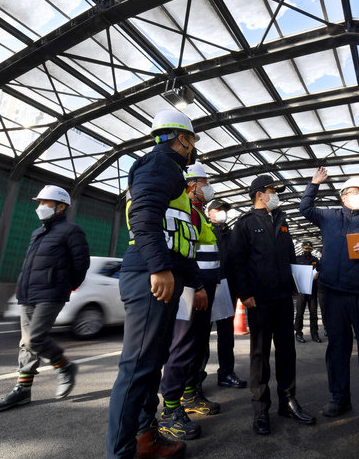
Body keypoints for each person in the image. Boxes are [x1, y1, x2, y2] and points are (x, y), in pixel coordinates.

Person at [106, 109, 206, 459]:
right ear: (181, 138)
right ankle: (120, 453)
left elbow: (182, 238)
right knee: (136, 368)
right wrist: (160, 267)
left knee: (151, 363)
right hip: (151, 276)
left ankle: (145, 437)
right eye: (192, 140)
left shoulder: (173, 173)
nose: (193, 147)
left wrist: (189, 279)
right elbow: (143, 215)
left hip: (164, 276)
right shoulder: (159, 164)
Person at [300, 170, 359, 426]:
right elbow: (305, 207)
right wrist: (314, 184)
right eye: (354, 193)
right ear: (343, 197)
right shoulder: (329, 216)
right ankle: (339, 397)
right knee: (337, 347)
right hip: (333, 293)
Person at [0, 185, 89, 413]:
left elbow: (81, 263)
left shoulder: (72, 231)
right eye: (39, 202)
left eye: (45, 202)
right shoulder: (38, 232)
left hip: (51, 293)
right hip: (27, 292)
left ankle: (65, 367)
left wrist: (66, 286)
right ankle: (22, 390)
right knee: (26, 343)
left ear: (61, 207)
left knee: (35, 339)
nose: (39, 207)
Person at [228, 175, 316, 435]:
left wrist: (298, 280)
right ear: (259, 195)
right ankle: (261, 409)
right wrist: (244, 294)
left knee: (287, 351)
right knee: (260, 355)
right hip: (259, 300)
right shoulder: (244, 225)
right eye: (273, 191)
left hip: (282, 298)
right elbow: (236, 263)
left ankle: (288, 401)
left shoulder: (282, 221)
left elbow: (289, 257)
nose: (276, 194)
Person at [157, 162, 220, 441]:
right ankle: (170, 409)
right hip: (191, 289)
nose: (208, 187)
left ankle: (190, 395)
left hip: (202, 288)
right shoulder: (185, 211)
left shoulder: (199, 213)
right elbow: (186, 253)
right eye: (204, 182)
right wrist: (197, 287)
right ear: (192, 185)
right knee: (182, 346)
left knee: (195, 344)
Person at [202, 198, 247, 388]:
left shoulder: (231, 234)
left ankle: (226, 373)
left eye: (224, 209)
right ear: (209, 213)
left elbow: (238, 263)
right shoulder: (203, 230)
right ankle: (195, 378)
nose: (222, 212)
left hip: (227, 288)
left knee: (226, 334)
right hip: (206, 287)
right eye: (217, 209)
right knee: (201, 335)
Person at [294, 241, 322, 343]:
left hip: (312, 291)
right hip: (301, 291)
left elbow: (320, 271)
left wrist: (317, 275)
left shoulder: (315, 260)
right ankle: (298, 333)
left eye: (309, 249)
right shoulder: (297, 260)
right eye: (306, 249)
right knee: (300, 313)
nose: (307, 251)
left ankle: (315, 334)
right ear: (302, 249)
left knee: (313, 314)